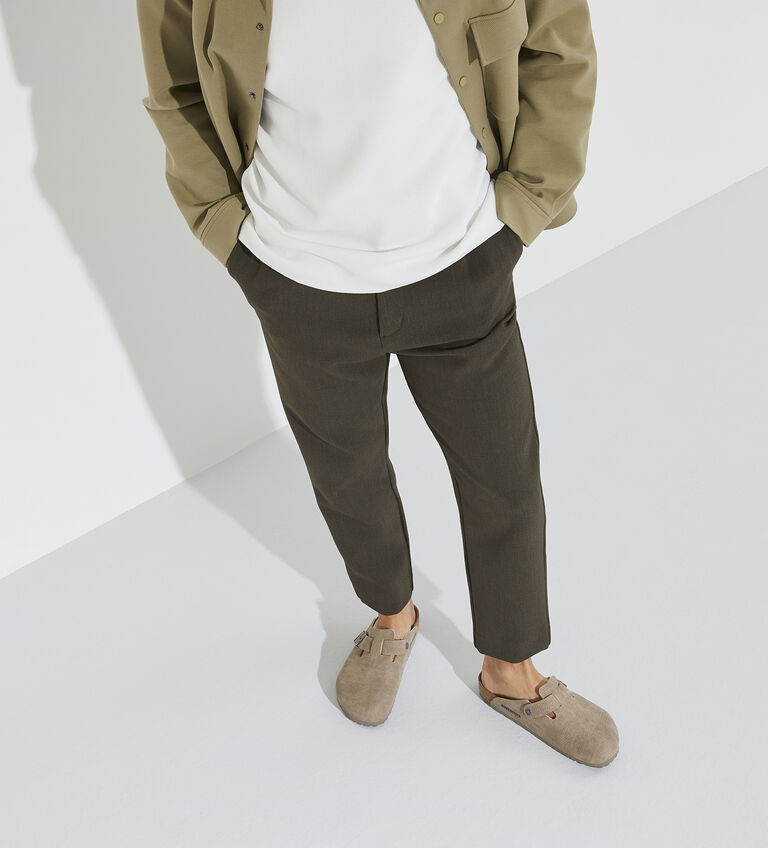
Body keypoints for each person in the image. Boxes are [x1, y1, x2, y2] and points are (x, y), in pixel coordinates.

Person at [136, 0, 618, 766]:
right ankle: (392, 617)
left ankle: (512, 668)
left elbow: (559, 42)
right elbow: (176, 87)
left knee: (503, 474)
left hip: (462, 253)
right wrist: (229, 236)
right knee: (347, 473)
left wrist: (527, 204)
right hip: (297, 275)